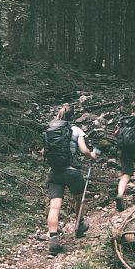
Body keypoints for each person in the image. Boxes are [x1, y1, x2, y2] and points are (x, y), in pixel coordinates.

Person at [45, 104, 98, 255]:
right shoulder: (76, 130)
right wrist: (92, 155)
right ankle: (79, 225)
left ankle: (53, 240)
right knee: (79, 199)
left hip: (55, 172)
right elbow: (84, 150)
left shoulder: (51, 129)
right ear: (73, 117)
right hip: (72, 172)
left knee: (54, 206)